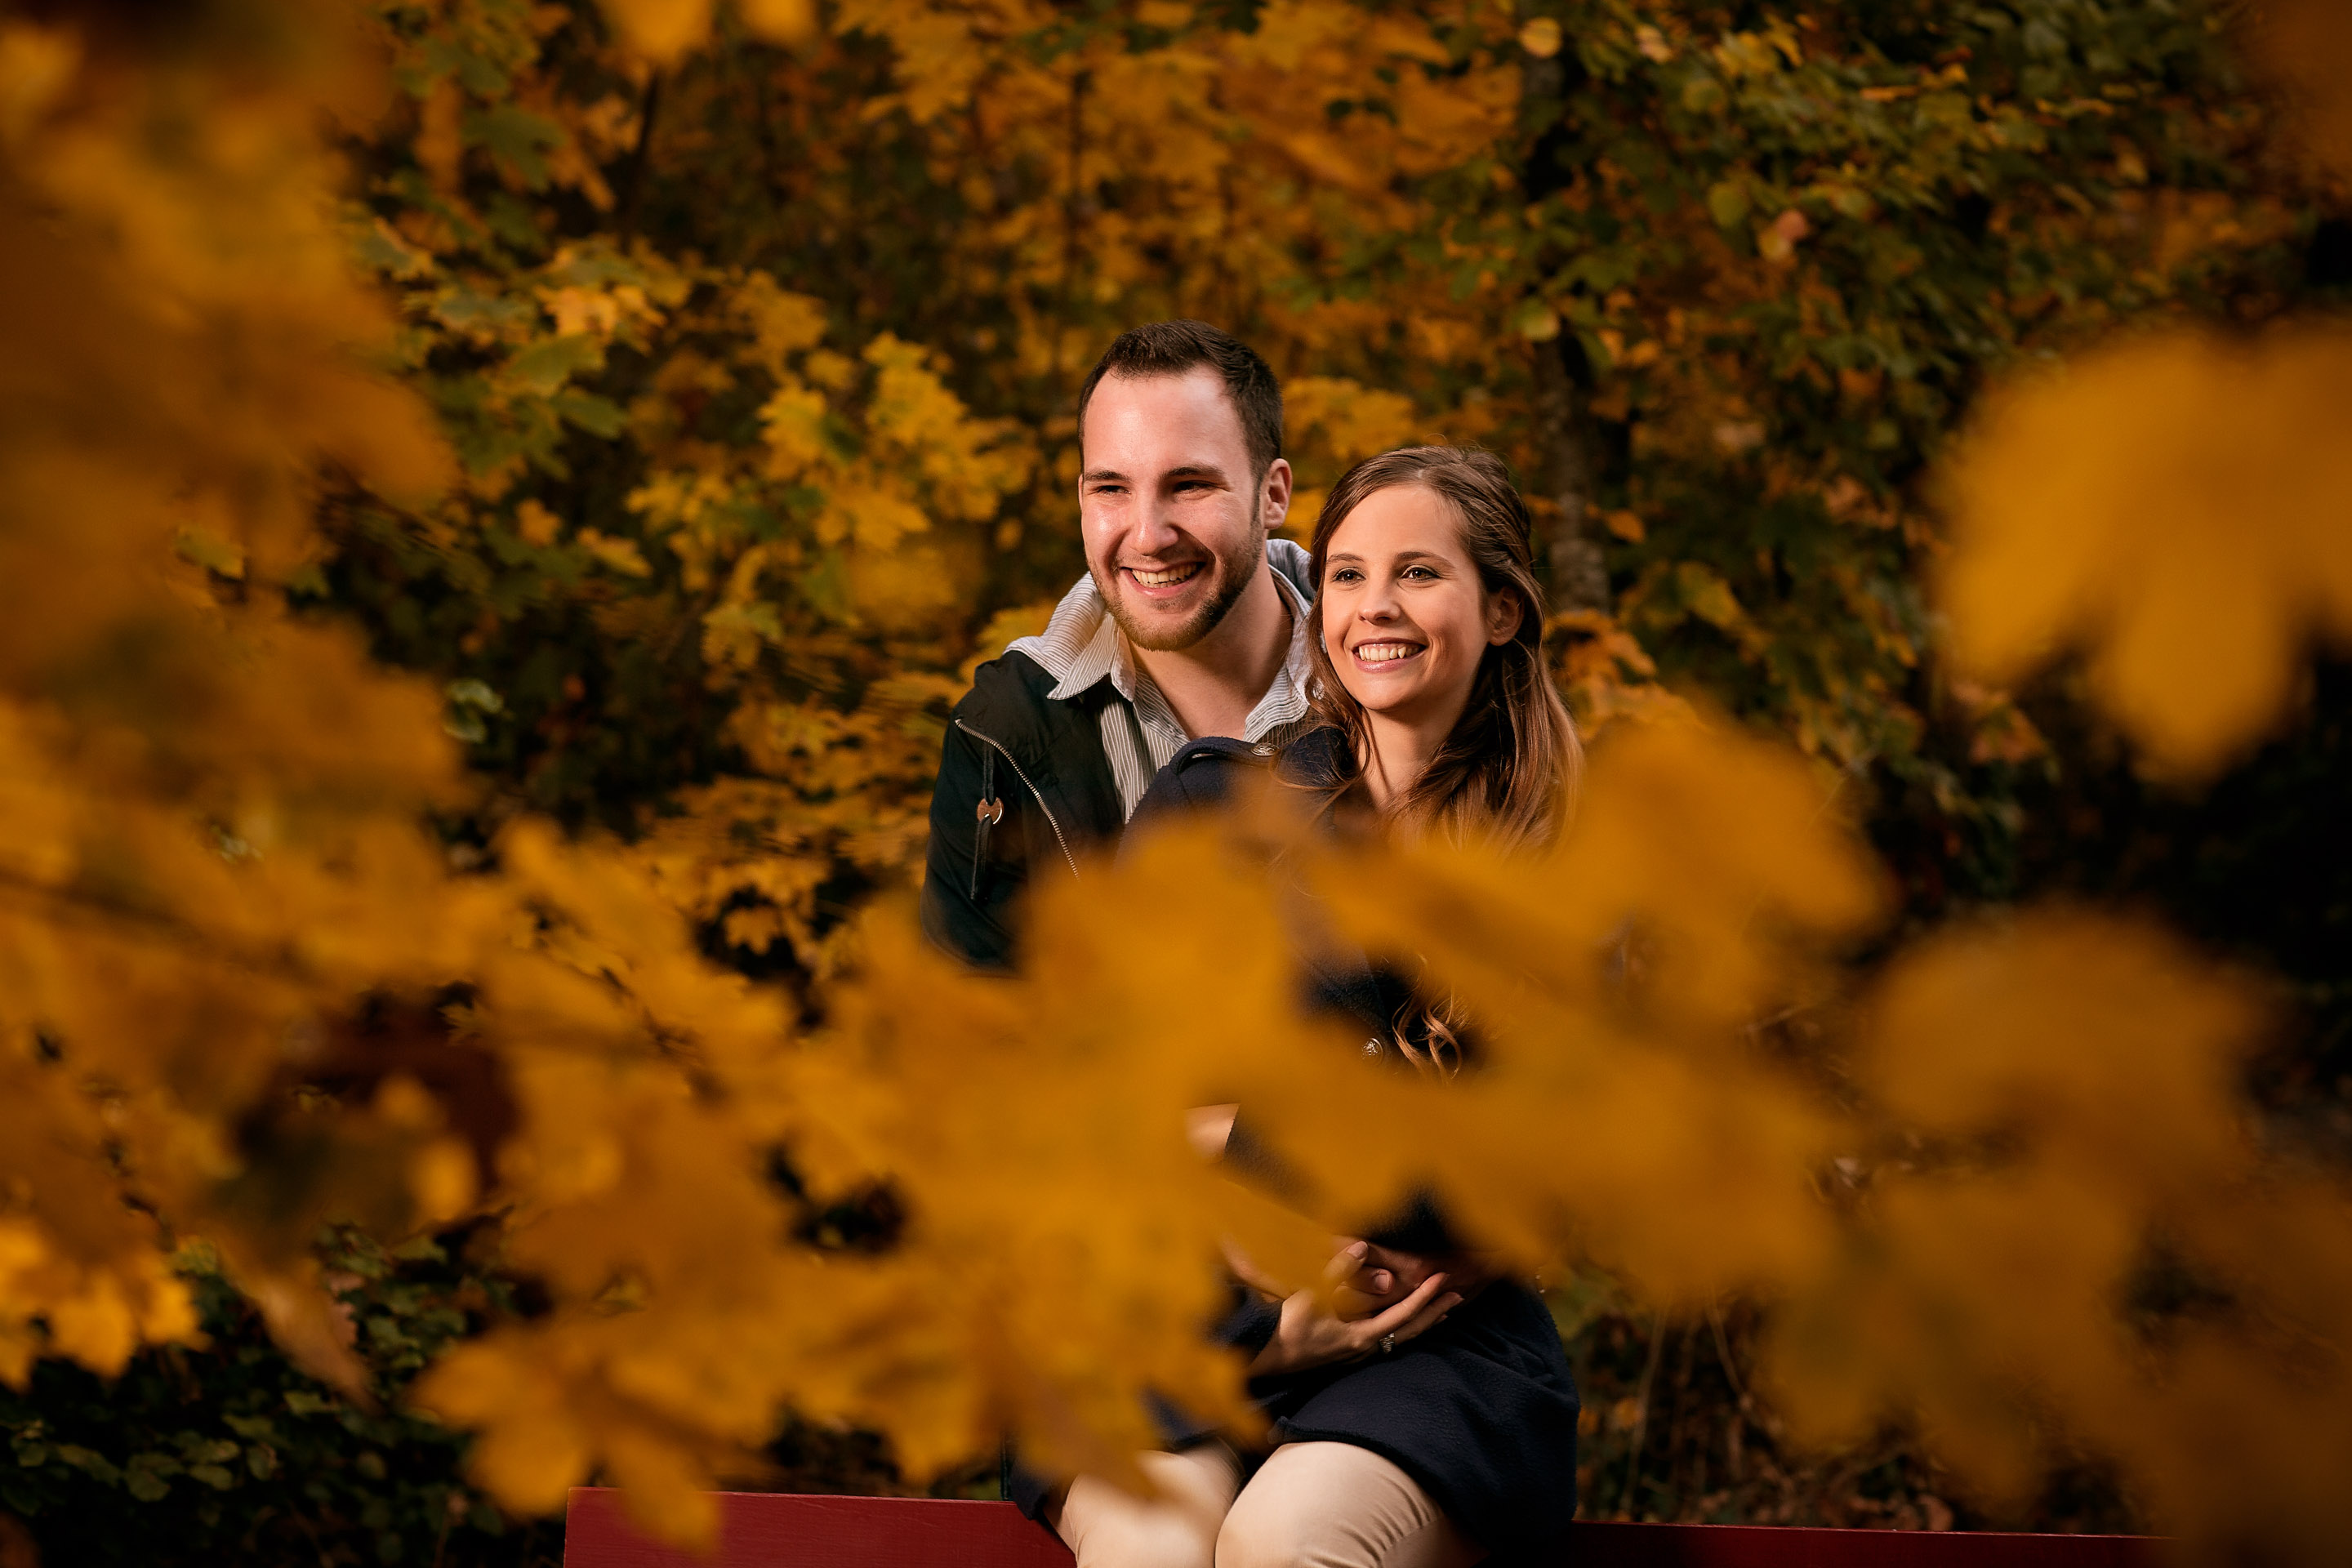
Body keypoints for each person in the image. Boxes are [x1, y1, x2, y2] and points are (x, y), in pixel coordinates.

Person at [1050, 447, 1585, 1568]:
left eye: (1417, 574)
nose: (1374, 608)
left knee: (1288, 1544)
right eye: (1345, 575)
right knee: (1151, 1548)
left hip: (1430, 1349)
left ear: (1500, 610)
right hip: (1185, 1329)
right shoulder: (1215, 811)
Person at [920, 320, 1321, 969]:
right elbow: (971, 1035)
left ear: (1272, 494)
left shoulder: (1399, 675)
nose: (1148, 535)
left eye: (1188, 485)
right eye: (1111, 488)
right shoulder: (1004, 728)